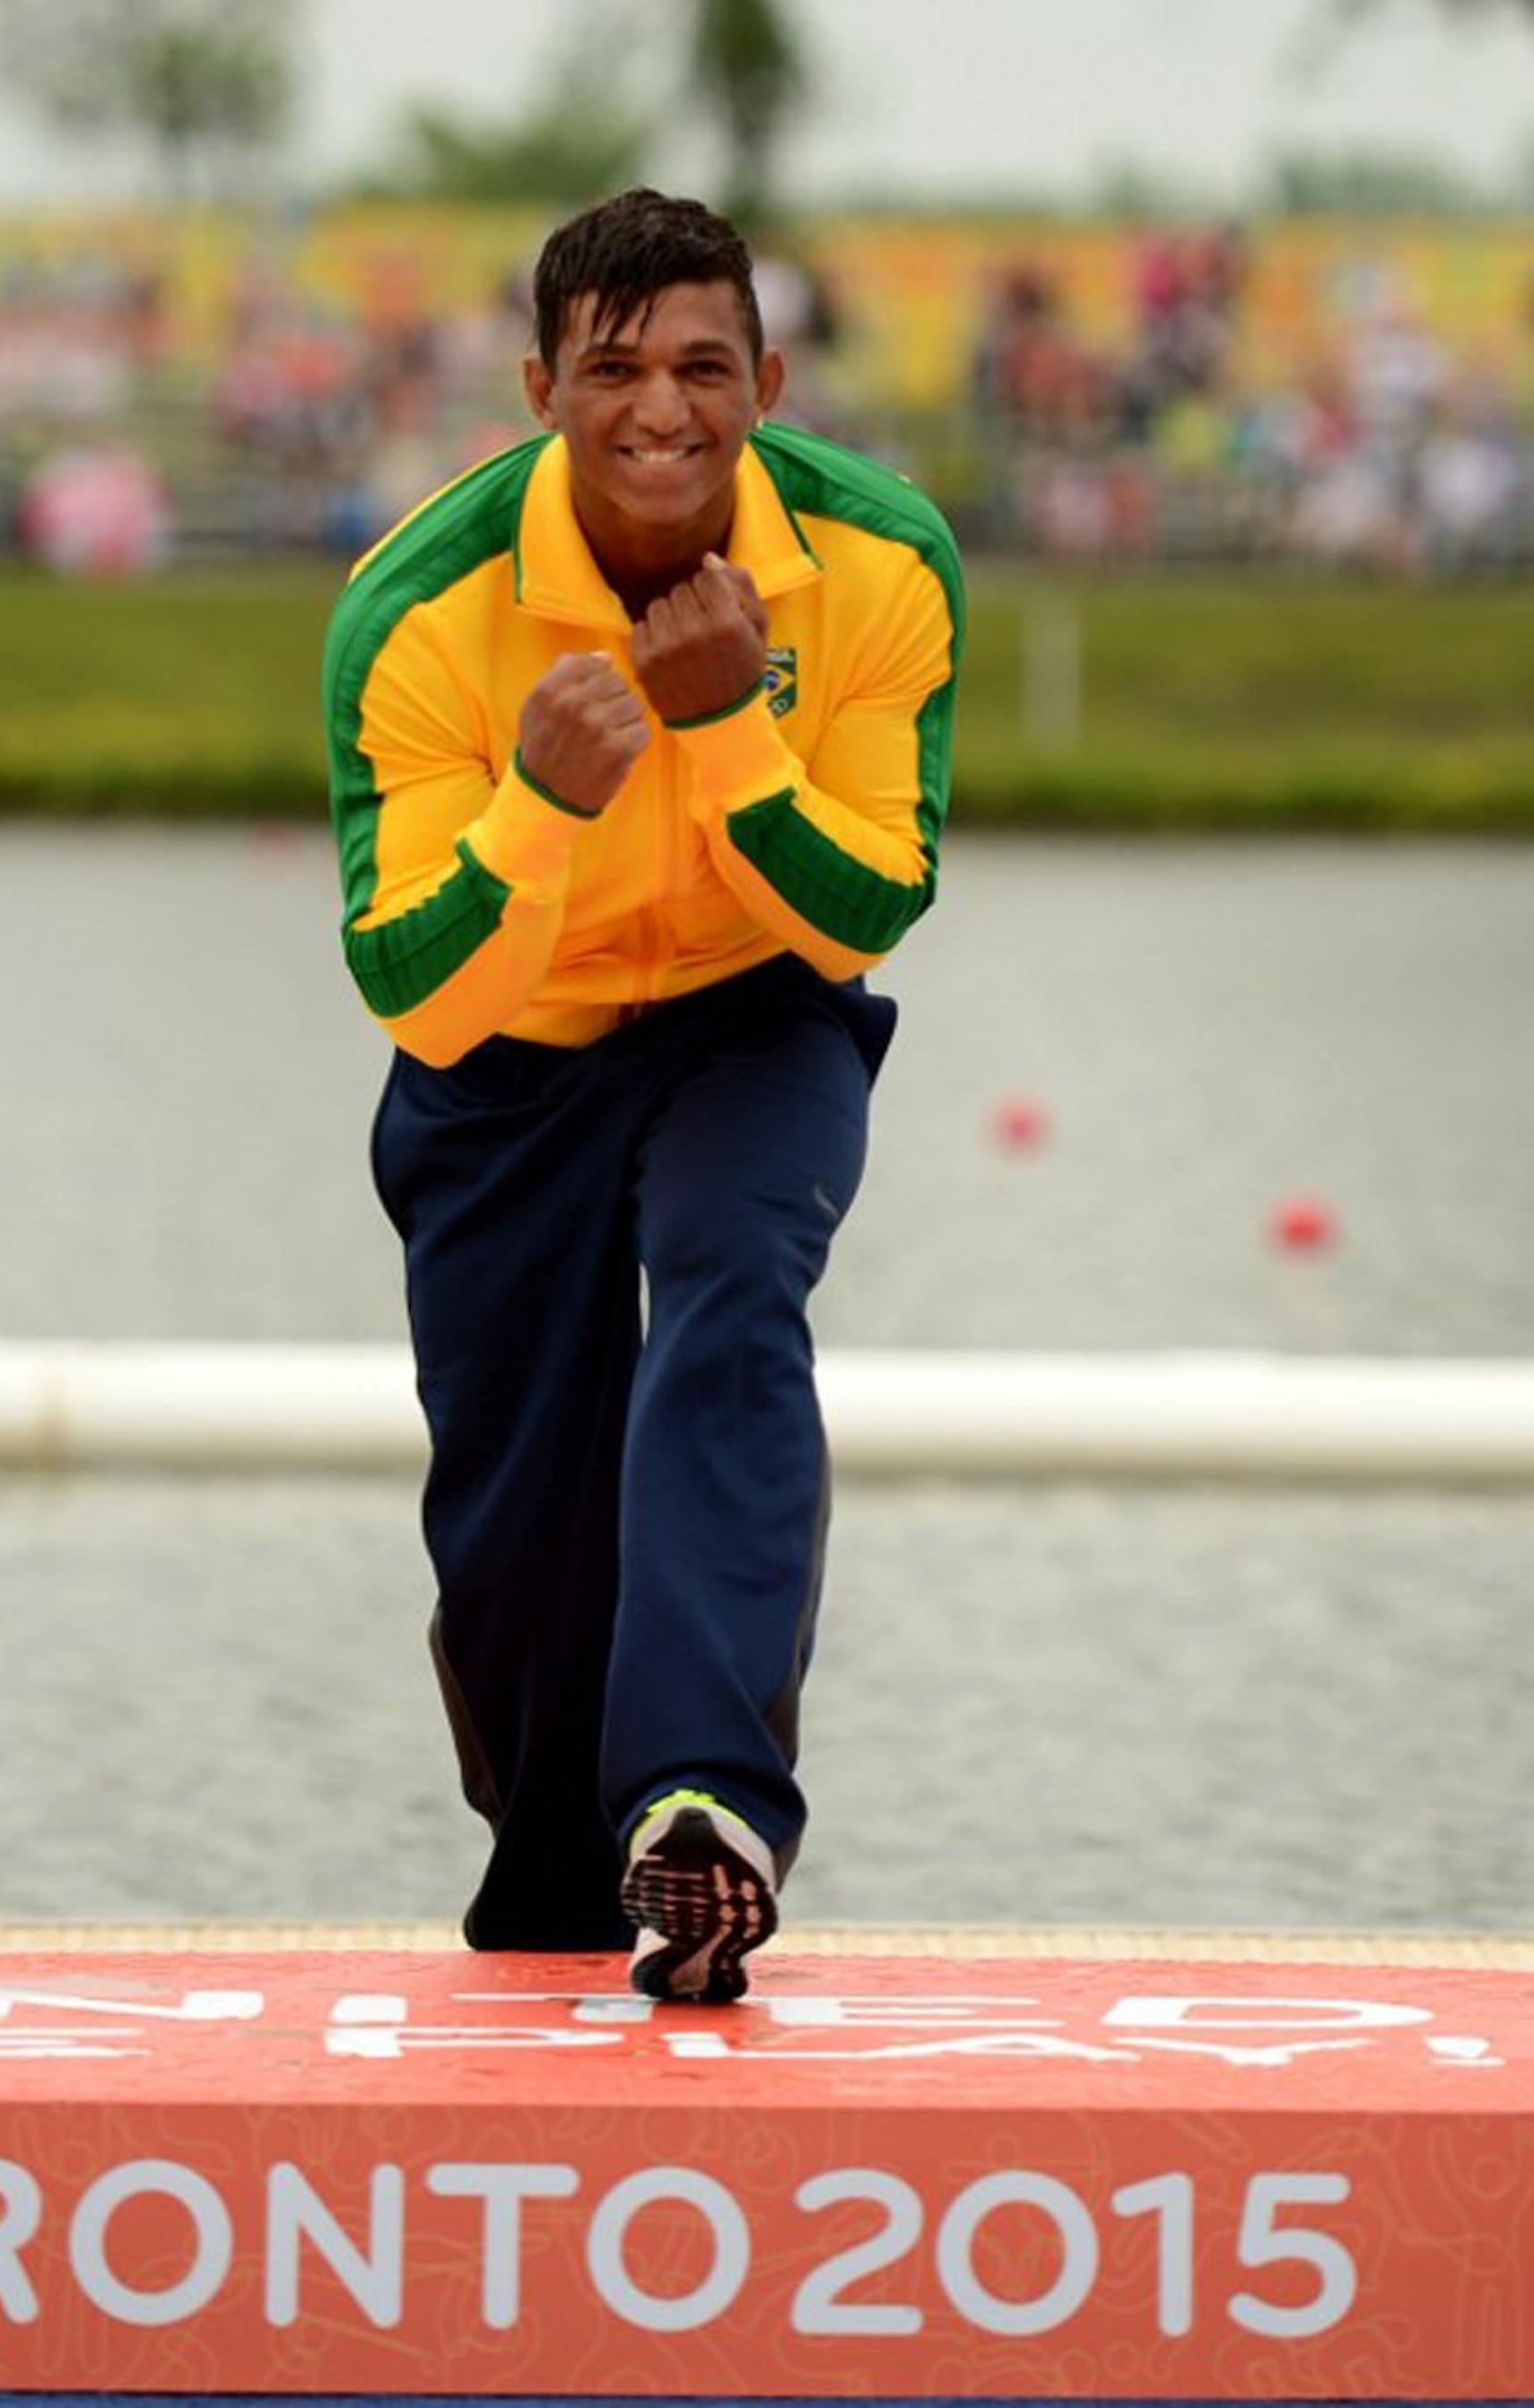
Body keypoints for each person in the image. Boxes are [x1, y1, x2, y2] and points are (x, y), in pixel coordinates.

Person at [322, 188, 963, 2002]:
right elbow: (415, 992)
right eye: (615, 369)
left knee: (731, 1288)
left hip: (755, 1015)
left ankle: (704, 1811)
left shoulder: (883, 559)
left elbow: (872, 903)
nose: (662, 409)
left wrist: (727, 729)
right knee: (520, 1518)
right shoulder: (418, 607)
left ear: (768, 378)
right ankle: (556, 1889)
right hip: (506, 1057)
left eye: (703, 365)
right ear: (542, 387)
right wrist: (543, 797)